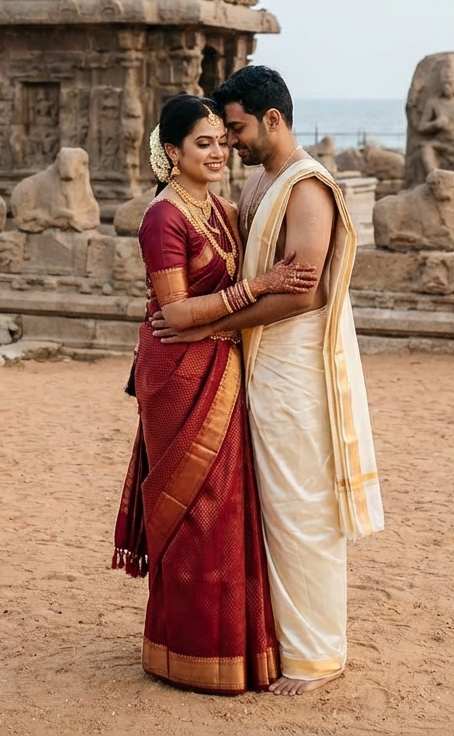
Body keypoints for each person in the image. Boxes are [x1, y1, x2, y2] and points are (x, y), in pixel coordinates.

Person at [154, 66, 385, 696]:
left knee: (301, 508)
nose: (229, 143)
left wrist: (210, 325)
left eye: (235, 129)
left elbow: (303, 293)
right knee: (269, 510)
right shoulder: (262, 181)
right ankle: (278, 641)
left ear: (272, 120)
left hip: (293, 367)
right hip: (258, 362)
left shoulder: (307, 188)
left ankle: (316, 657)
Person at [112, 93, 319, 695]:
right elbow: (174, 312)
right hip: (176, 371)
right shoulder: (164, 217)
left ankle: (235, 647)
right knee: (193, 507)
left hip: (223, 362)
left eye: (223, 141)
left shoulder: (222, 211)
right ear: (172, 152)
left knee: (230, 503)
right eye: (204, 143)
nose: (219, 152)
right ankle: (183, 649)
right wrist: (262, 284)